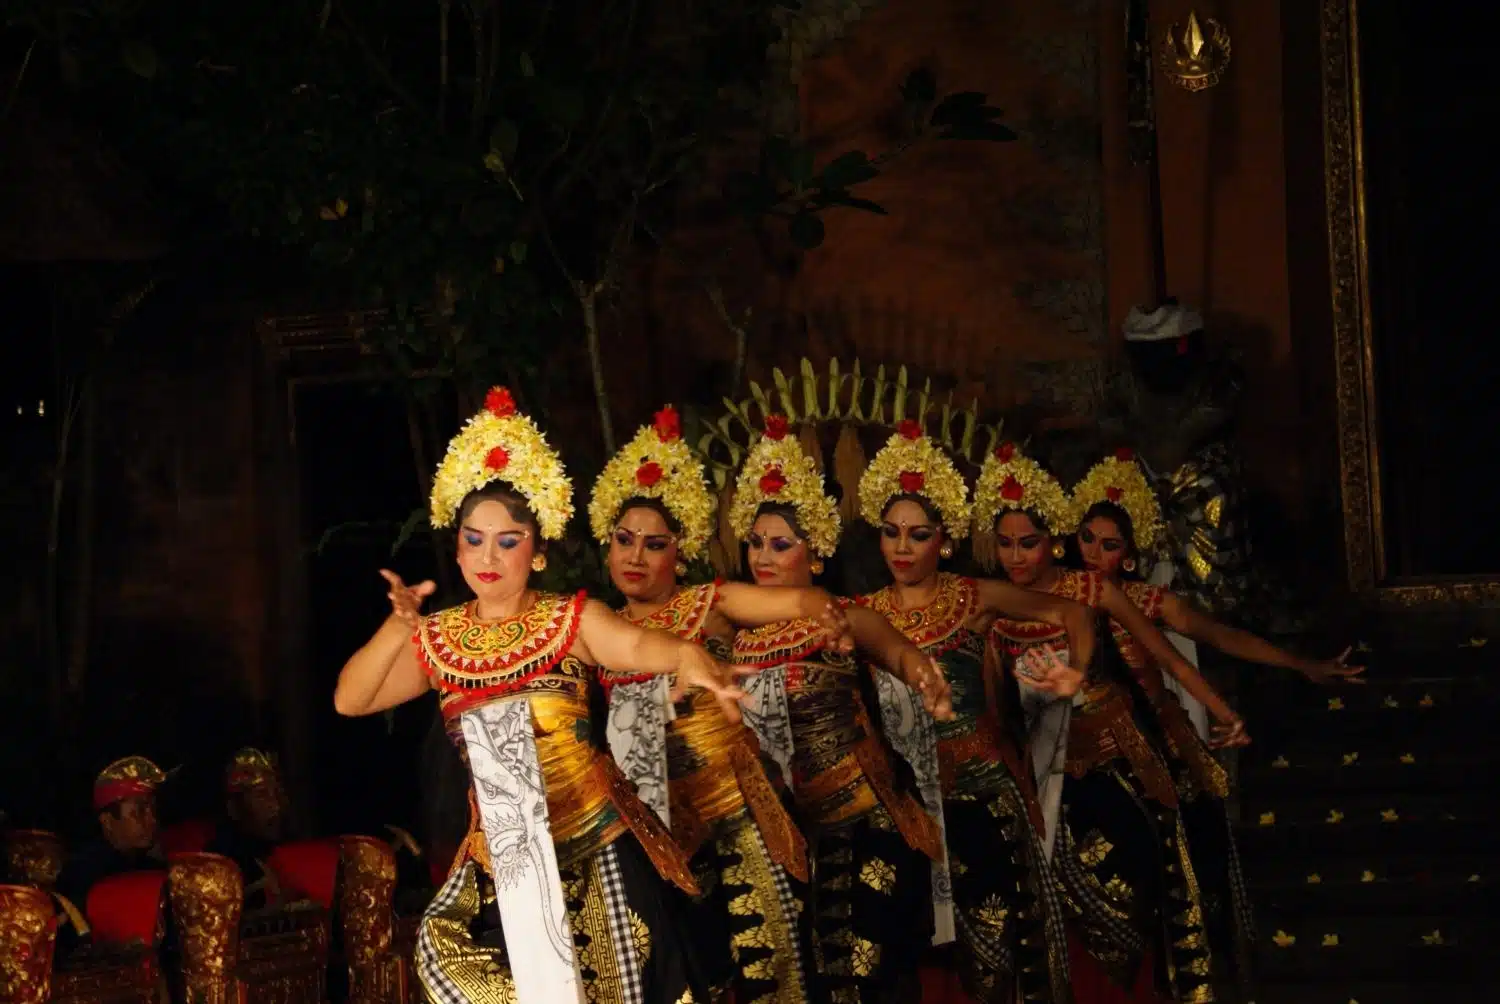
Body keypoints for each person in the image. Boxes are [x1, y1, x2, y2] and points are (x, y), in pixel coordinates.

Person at [333, 387, 748, 1004]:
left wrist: (691, 656)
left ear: (540, 547)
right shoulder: (441, 640)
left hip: (595, 843)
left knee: (622, 984)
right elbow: (352, 698)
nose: (488, 556)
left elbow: (636, 648)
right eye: (473, 539)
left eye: (508, 540)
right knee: (443, 955)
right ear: (456, 546)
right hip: (501, 860)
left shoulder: (573, 619)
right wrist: (398, 627)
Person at [590, 405, 858, 1002]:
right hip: (658, 830)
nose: (635, 556)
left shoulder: (710, 602)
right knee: (696, 978)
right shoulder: (594, 631)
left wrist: (830, 620)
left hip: (739, 810)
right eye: (623, 540)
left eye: (653, 544)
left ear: (679, 552)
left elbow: (800, 603)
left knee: (776, 968)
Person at [1069, 450, 1361, 987]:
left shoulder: (1145, 601)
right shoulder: (1055, 598)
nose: (1094, 552)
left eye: (1109, 545)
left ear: (1130, 557)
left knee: (1192, 886)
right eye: (1087, 537)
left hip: (1161, 750)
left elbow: (1218, 638)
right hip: (1089, 761)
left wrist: (1302, 665)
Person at [975, 443, 1240, 1004]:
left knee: (1147, 886)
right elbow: (997, 711)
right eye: (1005, 544)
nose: (1016, 556)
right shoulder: (993, 611)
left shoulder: (1090, 590)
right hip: (1049, 775)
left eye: (1029, 543)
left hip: (1121, 759)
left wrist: (1223, 714)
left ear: (1054, 541)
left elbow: (1168, 659)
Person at [852, 419, 1091, 1003]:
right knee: (893, 962)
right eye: (890, 533)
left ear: (947, 540)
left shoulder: (971, 597)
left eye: (918, 535)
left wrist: (1075, 673)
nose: (902, 549)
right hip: (905, 807)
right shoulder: (860, 613)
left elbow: (1073, 614)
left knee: (994, 961)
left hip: (980, 798)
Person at [724, 413, 953, 1004]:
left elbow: (895, 649)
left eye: (781, 544)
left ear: (817, 557)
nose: (763, 556)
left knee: (864, 977)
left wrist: (920, 672)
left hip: (863, 821)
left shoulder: (842, 618)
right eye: (754, 543)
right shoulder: (728, 635)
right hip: (786, 838)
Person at [56, 757, 168, 910]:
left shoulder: (155, 870)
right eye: (139, 811)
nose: (152, 820)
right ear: (107, 821)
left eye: (153, 810)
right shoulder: (83, 875)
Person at [206, 747, 287, 909]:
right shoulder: (219, 865)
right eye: (262, 795)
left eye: (276, 794)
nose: (275, 806)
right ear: (234, 807)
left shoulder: (281, 852)